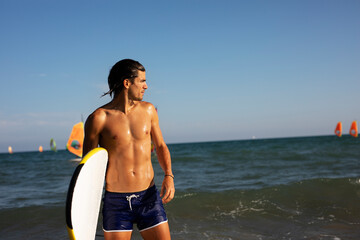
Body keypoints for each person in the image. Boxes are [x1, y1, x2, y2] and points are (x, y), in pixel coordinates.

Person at [83, 59, 175, 240]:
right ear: (127, 83)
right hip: (116, 202)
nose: (146, 86)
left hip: (148, 196)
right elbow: (88, 165)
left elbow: (160, 146)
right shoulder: (98, 118)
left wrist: (168, 175)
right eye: (142, 81)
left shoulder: (149, 110)